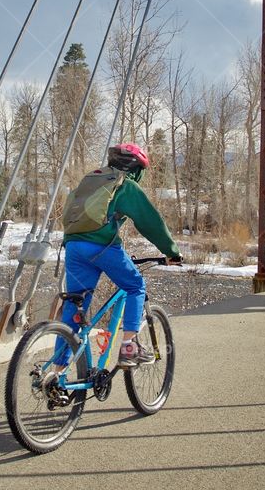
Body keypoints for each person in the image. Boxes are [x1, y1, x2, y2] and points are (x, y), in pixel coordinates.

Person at [60, 143, 182, 367]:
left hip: (73, 246)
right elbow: (150, 222)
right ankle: (129, 347)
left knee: (75, 307)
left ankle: (56, 374)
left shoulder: (91, 180)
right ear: (136, 169)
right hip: (102, 247)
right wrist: (171, 251)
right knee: (135, 285)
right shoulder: (125, 185)